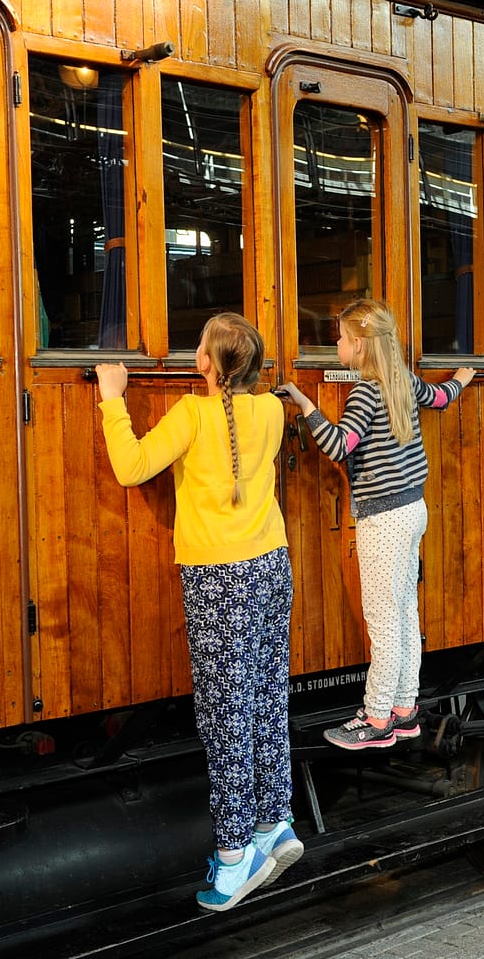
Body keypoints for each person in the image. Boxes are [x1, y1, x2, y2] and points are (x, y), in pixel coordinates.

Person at [95, 312, 303, 912]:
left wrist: (114, 401)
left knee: (223, 715)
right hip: (270, 564)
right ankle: (276, 822)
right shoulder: (270, 411)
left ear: (206, 364)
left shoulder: (192, 413)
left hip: (218, 578)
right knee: (264, 696)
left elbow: (132, 467)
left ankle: (234, 857)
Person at [279, 299, 475, 750]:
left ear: (361, 345)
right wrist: (462, 379)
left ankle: (376, 717)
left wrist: (304, 402)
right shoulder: (402, 380)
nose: (336, 344)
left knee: (383, 620)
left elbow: (339, 445)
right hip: (412, 510)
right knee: (405, 613)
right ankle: (405, 710)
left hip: (383, 518)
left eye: (342, 338)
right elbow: (440, 397)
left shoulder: (366, 391)